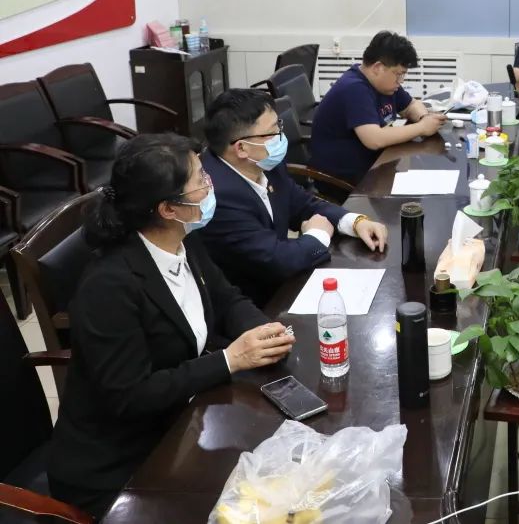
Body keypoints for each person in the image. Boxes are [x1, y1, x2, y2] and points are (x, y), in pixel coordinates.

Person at [48, 134, 294, 518]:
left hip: (180, 422)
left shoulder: (183, 239)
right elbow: (131, 396)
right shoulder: (109, 286)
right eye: (200, 180)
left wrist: (264, 331)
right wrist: (229, 359)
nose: (210, 185)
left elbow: (226, 299)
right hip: (123, 463)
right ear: (167, 208)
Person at [199, 89, 388, 306]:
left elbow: (301, 204)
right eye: (273, 132)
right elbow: (277, 261)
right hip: (255, 303)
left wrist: (354, 222)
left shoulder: (263, 162)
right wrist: (318, 234)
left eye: (278, 125)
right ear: (241, 148)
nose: (281, 136)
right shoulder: (217, 196)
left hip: (286, 281)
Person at [309, 30, 446, 188]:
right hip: (342, 180)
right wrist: (422, 128)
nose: (400, 81)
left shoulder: (385, 85)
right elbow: (374, 139)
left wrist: (424, 118)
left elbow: (411, 105)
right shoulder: (354, 88)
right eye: (398, 74)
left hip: (375, 165)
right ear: (378, 67)